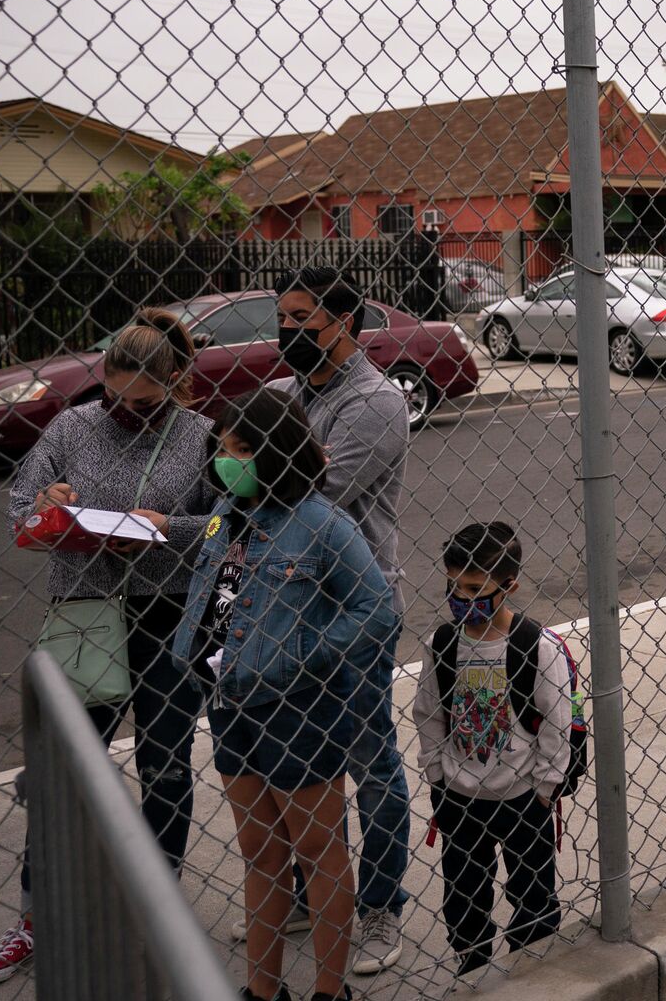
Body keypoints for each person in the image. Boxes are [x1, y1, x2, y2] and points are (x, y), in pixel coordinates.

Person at [0, 309, 217, 988]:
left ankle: (153, 903)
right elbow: (21, 505)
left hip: (169, 616)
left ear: (175, 385)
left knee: (165, 766)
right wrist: (46, 503)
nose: (124, 411)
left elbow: (230, 525)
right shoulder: (74, 426)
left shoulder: (200, 436)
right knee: (67, 773)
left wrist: (174, 527)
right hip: (86, 609)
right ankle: (34, 915)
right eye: (114, 397)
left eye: (142, 402)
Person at [176, 389, 395, 1001]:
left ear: (275, 452)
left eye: (240, 450)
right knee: (259, 852)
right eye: (221, 448)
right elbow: (214, 590)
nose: (226, 461)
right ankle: (263, 989)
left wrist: (301, 655)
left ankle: (330, 991)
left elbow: (375, 608)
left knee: (319, 850)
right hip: (230, 704)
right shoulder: (227, 513)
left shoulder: (322, 522)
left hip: (299, 711)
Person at [248, 267, 413, 975]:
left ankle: (376, 906)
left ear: (344, 322)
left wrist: (260, 475)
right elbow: (248, 469)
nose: (288, 332)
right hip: (285, 611)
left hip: (354, 609)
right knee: (296, 764)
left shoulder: (375, 402)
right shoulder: (284, 394)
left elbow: (320, 490)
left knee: (368, 762)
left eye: (303, 321)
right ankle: (313, 893)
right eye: (282, 318)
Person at [416, 522, 578, 979]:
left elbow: (556, 723)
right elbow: (428, 715)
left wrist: (545, 787)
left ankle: (532, 973)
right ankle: (473, 966)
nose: (463, 599)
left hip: (523, 797)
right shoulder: (442, 646)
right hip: (460, 798)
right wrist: (437, 777)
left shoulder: (536, 647)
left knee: (533, 895)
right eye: (454, 588)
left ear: (510, 586)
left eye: (474, 588)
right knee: (464, 896)